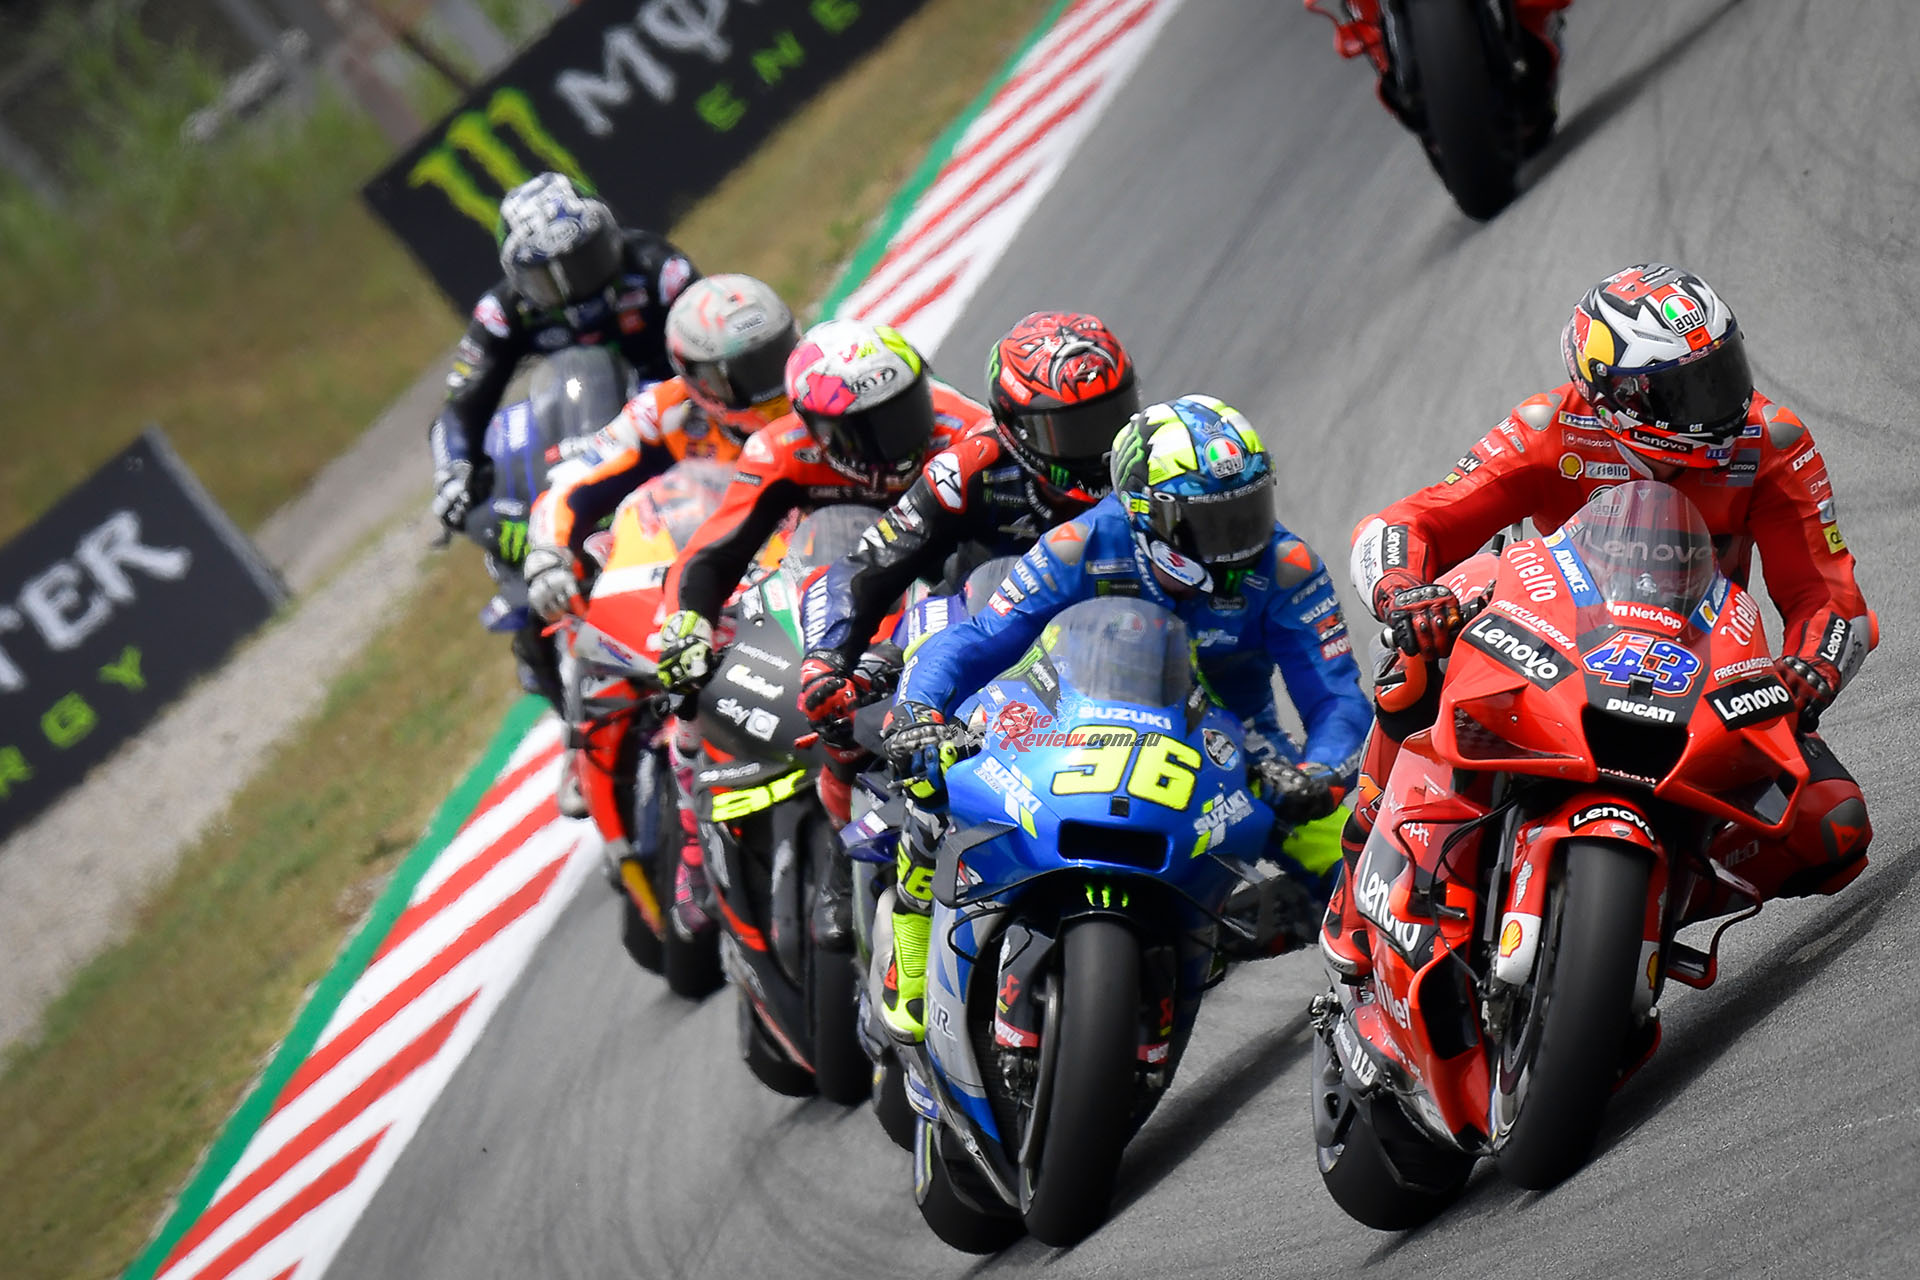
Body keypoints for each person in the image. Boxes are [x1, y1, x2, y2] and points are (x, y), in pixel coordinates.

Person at [1330, 262, 1876, 979]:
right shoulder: (1551, 427)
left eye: (1721, 371)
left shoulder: (1768, 443)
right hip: (1553, 640)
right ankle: (1363, 857)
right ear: (1617, 398)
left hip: (1695, 665)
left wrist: (1810, 668)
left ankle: (1647, 897)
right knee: (1416, 657)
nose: (1718, 405)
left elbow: (1828, 595)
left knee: (1834, 824)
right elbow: (1412, 519)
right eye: (1684, 390)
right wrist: (1402, 591)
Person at [876, 395, 1374, 1041]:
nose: (1237, 540)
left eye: (1247, 511)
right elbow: (978, 640)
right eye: (1207, 522)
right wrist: (918, 711)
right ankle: (913, 941)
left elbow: (1338, 699)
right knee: (932, 775)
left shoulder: (1287, 566)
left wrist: (1321, 774)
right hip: (1065, 722)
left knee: (1366, 863)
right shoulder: (1078, 545)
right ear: (1144, 513)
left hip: (1234, 747)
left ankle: (1359, 1019)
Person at [652, 318, 986, 936]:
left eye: (905, 407)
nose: (897, 435)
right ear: (817, 431)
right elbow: (713, 552)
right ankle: (730, 837)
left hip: (948, 573)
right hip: (844, 586)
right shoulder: (781, 450)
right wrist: (688, 622)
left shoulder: (963, 427)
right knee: (695, 672)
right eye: (869, 426)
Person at [794, 310, 1141, 736]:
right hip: (979, 621)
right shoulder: (968, 469)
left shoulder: (1157, 455)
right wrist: (827, 659)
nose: (1104, 448)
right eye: (1077, 431)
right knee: (854, 715)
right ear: (1017, 429)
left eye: (1115, 414)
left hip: (1122, 618)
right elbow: (870, 561)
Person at [428, 172, 698, 535]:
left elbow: (711, 333)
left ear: (610, 236)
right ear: (516, 276)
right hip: (578, 428)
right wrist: (454, 471)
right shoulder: (502, 311)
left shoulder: (658, 267)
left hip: (671, 410)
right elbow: (460, 407)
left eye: (585, 259)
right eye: (546, 277)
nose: (572, 285)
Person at [520, 273, 799, 624]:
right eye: (746, 372)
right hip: (727, 578)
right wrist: (549, 553)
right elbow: (574, 481)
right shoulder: (666, 411)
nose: (771, 384)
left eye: (778, 354)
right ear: (698, 379)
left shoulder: (820, 377)